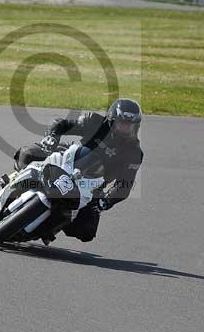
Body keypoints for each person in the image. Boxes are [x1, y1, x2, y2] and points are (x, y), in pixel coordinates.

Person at [9, 98, 144, 243]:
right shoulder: (94, 122)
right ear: (111, 120)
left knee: (86, 230)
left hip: (92, 186)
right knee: (28, 154)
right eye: (122, 124)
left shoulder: (134, 153)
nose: (126, 129)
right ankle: (15, 178)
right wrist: (52, 138)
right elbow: (62, 124)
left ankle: (51, 228)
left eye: (130, 125)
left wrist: (104, 202)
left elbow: (125, 184)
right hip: (66, 159)